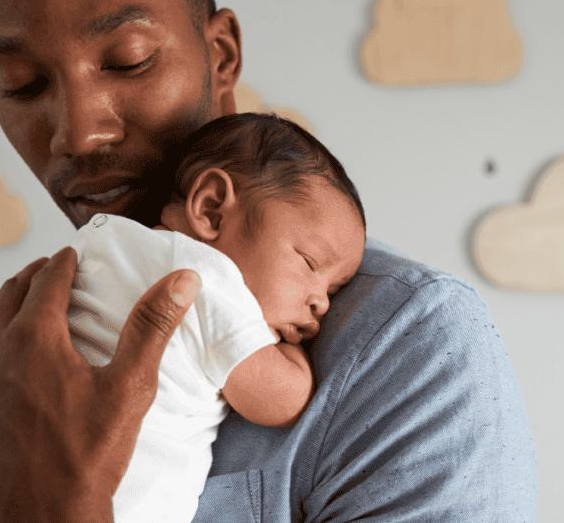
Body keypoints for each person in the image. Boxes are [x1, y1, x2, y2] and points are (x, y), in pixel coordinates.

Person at [0, 0, 538, 521]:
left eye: (129, 60)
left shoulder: (409, 345)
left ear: (220, 55)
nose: (79, 132)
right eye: (21, 84)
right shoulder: (27, 339)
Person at [67, 113, 365, 522]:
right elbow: (284, 401)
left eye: (333, 291)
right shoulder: (206, 279)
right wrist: (291, 352)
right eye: (310, 263)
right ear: (211, 211)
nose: (322, 304)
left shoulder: (104, 244)